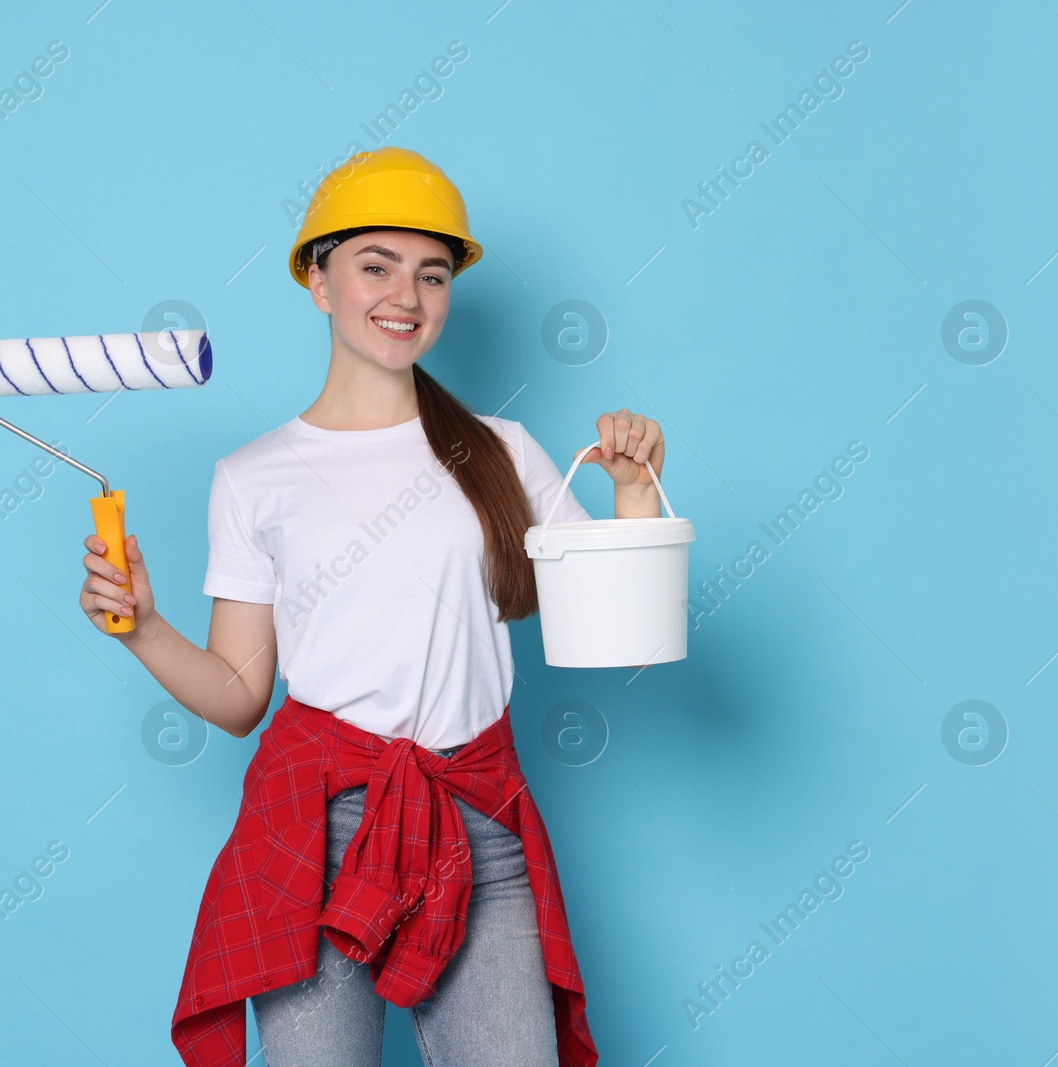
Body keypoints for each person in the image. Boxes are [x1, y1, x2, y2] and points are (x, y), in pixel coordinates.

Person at [78, 146, 664, 1067]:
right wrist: (144, 628)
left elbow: (622, 624)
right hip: (316, 833)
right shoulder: (252, 477)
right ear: (318, 280)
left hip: (479, 827)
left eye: (433, 274)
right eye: (375, 265)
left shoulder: (502, 453)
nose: (407, 294)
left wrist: (633, 492)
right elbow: (238, 696)